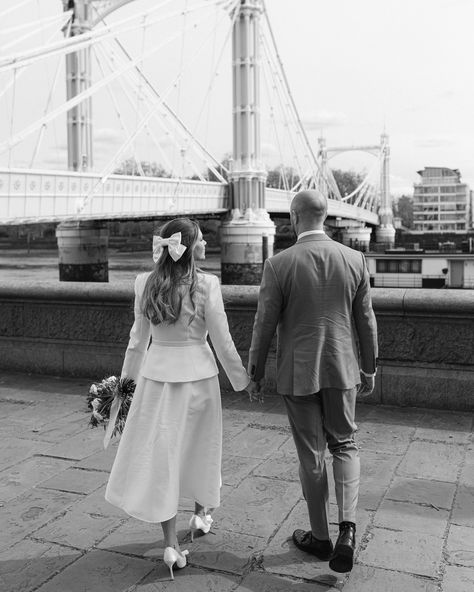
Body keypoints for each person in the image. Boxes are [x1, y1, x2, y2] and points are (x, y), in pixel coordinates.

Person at [105, 217, 250, 579]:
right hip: (199, 380)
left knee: (163, 457)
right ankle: (200, 515)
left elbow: (136, 343)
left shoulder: (144, 283)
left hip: (156, 381)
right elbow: (223, 342)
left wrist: (123, 388)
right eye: (200, 241)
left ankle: (171, 544)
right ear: (189, 246)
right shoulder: (207, 285)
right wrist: (243, 382)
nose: (204, 246)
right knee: (202, 448)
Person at [247, 190, 378, 573]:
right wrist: (368, 367)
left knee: (312, 455)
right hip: (342, 369)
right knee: (346, 443)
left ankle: (321, 538)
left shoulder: (278, 264)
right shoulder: (354, 258)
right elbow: (366, 321)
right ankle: (348, 529)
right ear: (325, 217)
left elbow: (263, 325)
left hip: (298, 372)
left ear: (294, 217)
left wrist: (254, 374)